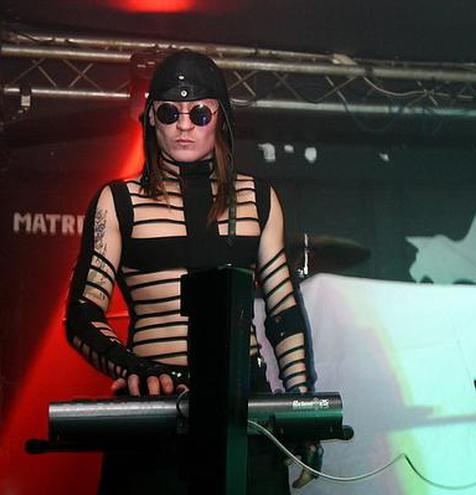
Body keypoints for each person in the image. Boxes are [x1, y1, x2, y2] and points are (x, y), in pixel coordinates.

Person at [65, 50, 321, 494]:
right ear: (152, 118)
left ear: (220, 118)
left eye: (199, 113)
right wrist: (134, 368)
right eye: (170, 112)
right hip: (153, 407)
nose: (184, 125)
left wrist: (302, 409)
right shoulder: (119, 201)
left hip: (244, 406)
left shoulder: (258, 199)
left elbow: (283, 310)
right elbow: (83, 314)